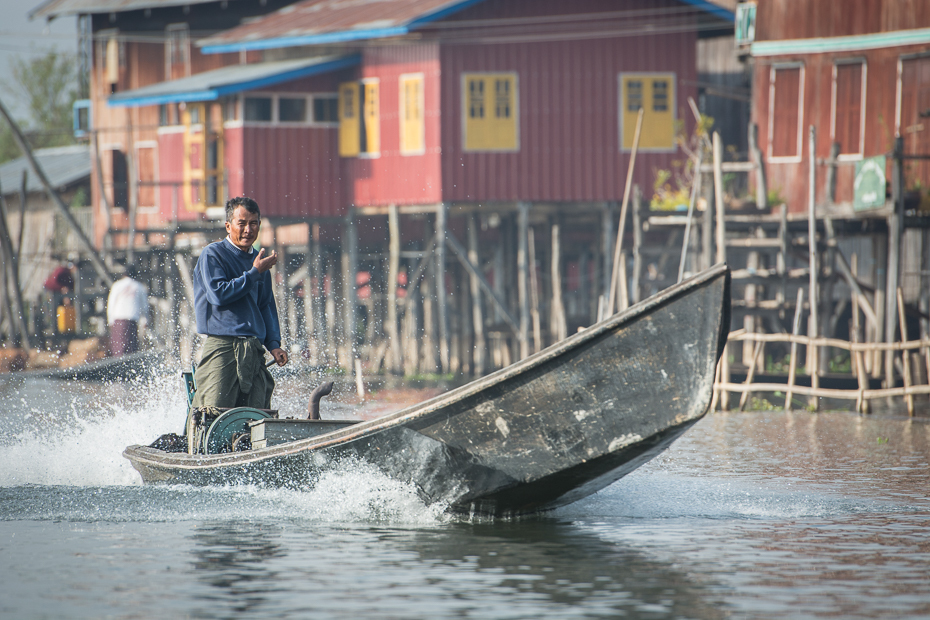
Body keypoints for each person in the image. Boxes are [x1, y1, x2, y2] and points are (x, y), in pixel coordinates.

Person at [190, 196, 288, 410]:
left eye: (253, 223)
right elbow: (218, 294)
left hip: (253, 349)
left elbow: (266, 306)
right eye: (241, 223)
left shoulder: (260, 265)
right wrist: (254, 273)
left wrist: (273, 345)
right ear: (228, 226)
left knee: (257, 415)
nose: (247, 229)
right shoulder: (213, 254)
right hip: (222, 347)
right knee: (213, 413)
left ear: (259, 225)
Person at [107, 265, 148, 356]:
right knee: (131, 348)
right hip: (132, 320)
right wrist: (145, 320)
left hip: (118, 319)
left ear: (124, 274)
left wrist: (110, 320)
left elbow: (111, 303)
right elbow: (144, 306)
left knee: (118, 348)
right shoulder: (139, 286)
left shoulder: (117, 285)